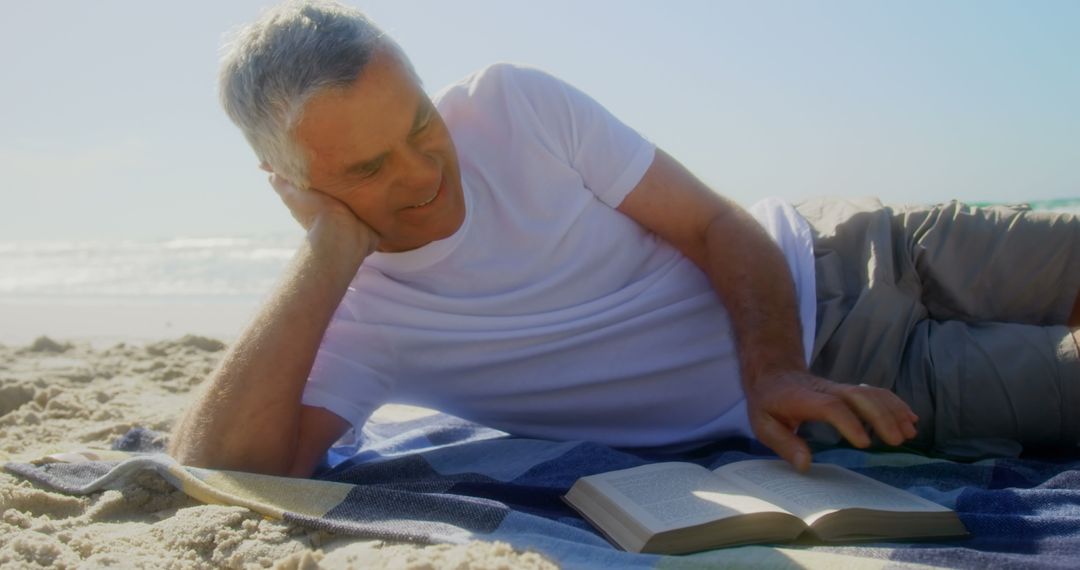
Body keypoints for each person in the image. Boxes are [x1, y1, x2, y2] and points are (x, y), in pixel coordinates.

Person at [169, 0, 1080, 478]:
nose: (419, 174)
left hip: (862, 244)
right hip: (874, 375)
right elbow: (228, 467)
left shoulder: (512, 106)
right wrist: (331, 250)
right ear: (289, 186)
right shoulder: (357, 325)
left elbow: (713, 221)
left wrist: (770, 369)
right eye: (366, 171)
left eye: (417, 126)